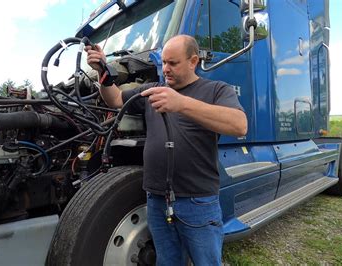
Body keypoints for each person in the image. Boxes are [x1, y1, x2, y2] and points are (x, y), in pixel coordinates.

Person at [86, 35, 247, 265]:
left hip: (197, 202)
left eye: (173, 63)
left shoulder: (215, 90)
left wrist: (181, 103)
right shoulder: (154, 90)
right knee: (167, 261)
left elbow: (239, 124)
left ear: (193, 61)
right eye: (164, 62)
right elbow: (115, 99)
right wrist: (102, 70)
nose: (166, 69)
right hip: (157, 200)